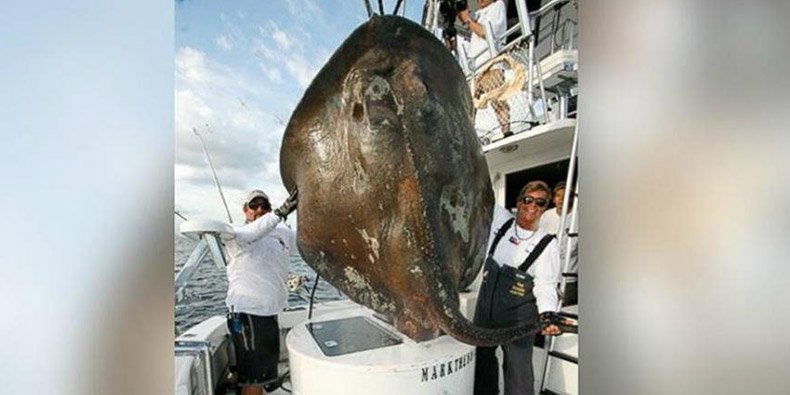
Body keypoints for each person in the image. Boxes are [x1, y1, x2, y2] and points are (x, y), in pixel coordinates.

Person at [473, 181, 564, 395]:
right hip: (485, 311)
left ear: (545, 207)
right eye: (528, 200)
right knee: (482, 361)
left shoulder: (547, 243)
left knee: (518, 372)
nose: (533, 206)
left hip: (519, 318)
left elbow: (545, 284)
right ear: (519, 201)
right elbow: (479, 193)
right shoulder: (501, 221)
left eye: (540, 203)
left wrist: (547, 313)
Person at [225, 189, 298, 395]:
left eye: (264, 206)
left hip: (270, 314)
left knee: (266, 377)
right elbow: (252, 233)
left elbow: (308, 240)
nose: (260, 209)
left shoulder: (281, 233)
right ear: (245, 210)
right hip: (248, 315)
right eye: (254, 205)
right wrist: (280, 212)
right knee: (253, 381)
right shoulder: (235, 234)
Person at [457, 0, 511, 136]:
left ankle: (507, 131)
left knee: (497, 99)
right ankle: (468, 138)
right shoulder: (480, 14)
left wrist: (468, 20)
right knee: (469, 108)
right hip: (475, 69)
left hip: (490, 63)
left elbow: (485, 32)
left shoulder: (498, 5)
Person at [539, 181, 578, 306]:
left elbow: (571, 249)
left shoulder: (578, 217)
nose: (561, 199)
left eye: (566, 195)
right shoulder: (547, 215)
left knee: (564, 315)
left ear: (572, 198)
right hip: (547, 278)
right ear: (554, 199)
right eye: (558, 195)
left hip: (568, 279)